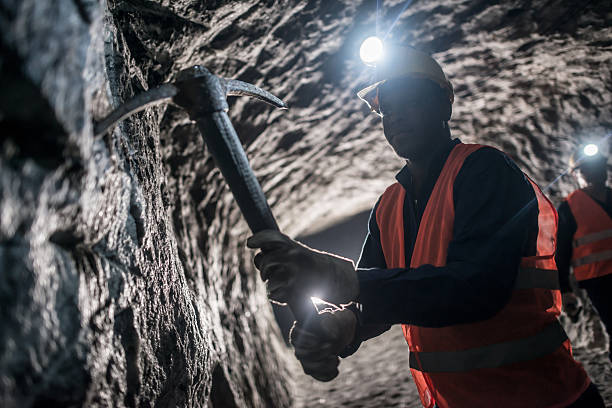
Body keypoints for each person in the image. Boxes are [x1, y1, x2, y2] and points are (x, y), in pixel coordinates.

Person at [247, 45, 604, 407]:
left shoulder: (486, 171)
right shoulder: (389, 206)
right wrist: (343, 326)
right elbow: (377, 295)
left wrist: (341, 279)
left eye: (411, 101)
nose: (397, 116)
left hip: (546, 398)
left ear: (444, 105)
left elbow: (477, 288)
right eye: (388, 108)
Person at [556, 145, 612, 362]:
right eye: (587, 168)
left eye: (597, 166)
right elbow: (561, 252)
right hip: (598, 280)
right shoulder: (569, 207)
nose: (595, 171)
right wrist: (565, 290)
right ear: (576, 174)